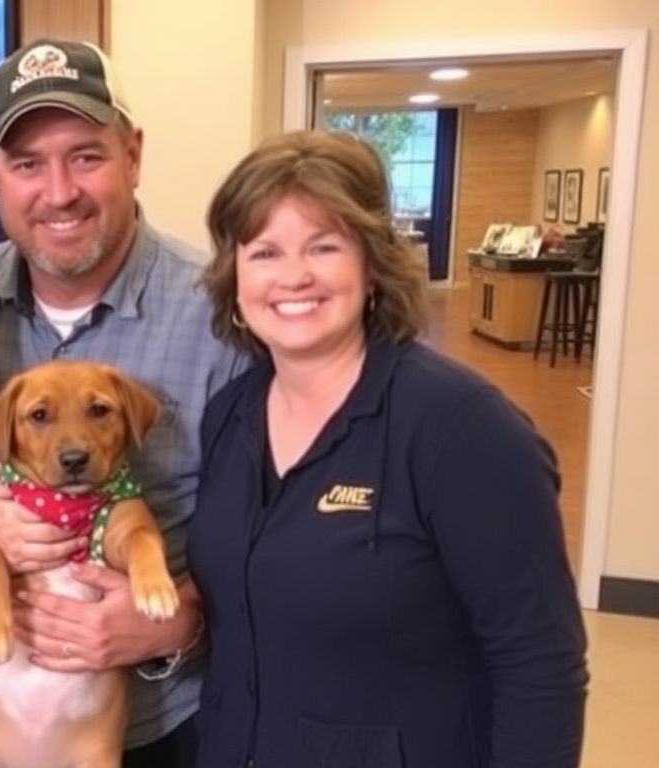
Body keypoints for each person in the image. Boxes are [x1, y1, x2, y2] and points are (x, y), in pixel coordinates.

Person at [0, 39, 245, 766]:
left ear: (133, 154)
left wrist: (178, 622)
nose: (58, 191)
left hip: (157, 723)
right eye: (28, 163)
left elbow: (273, 542)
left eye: (86, 156)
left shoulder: (223, 316)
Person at [189, 130, 588, 767]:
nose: (294, 276)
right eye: (264, 252)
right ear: (234, 276)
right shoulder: (229, 416)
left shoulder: (462, 428)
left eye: (324, 246)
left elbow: (541, 666)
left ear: (371, 265)